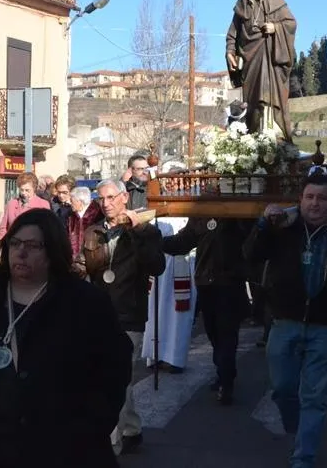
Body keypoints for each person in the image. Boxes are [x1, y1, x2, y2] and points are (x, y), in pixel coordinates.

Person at [0, 208, 133, 467]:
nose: (21, 252)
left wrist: (91, 426)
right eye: (15, 243)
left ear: (52, 251)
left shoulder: (84, 303)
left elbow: (115, 367)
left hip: (58, 450)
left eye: (33, 246)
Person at [244, 173, 327, 468]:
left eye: (322, 198)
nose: (315, 204)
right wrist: (263, 224)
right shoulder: (282, 229)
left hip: (326, 326)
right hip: (284, 321)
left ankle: (304, 457)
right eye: (310, 197)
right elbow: (250, 253)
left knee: (315, 397)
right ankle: (298, 430)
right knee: (282, 389)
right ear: (299, 200)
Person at [82, 179, 165, 455]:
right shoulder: (93, 231)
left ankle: (111, 445)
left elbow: (157, 265)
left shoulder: (146, 231)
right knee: (113, 377)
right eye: (101, 199)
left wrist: (138, 231)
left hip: (129, 313)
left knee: (115, 377)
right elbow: (81, 266)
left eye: (110, 197)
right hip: (99, 314)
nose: (106, 204)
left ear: (124, 198)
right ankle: (131, 429)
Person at [163, 217, 251, 404]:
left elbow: (251, 238)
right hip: (206, 284)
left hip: (230, 283)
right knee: (213, 333)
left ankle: (226, 381)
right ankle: (224, 372)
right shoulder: (201, 213)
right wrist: (155, 241)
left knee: (227, 335)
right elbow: (183, 242)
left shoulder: (239, 214)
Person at [225, 0, 297, 138]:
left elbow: (291, 23)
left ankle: (273, 132)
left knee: (268, 92)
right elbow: (233, 32)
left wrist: (275, 27)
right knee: (251, 97)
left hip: (269, 53)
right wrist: (230, 51)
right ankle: (253, 133)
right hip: (249, 56)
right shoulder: (242, 2)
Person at [141, 217, 197, 375]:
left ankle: (175, 358)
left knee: (178, 317)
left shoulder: (189, 217)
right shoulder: (157, 216)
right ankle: (155, 355)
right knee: (155, 312)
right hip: (160, 267)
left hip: (182, 265)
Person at [0, 172, 51, 239]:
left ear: (34, 189)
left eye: (27, 190)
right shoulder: (11, 204)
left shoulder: (43, 204)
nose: (23, 193)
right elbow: (2, 228)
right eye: (21, 190)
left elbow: (48, 229)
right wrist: (5, 242)